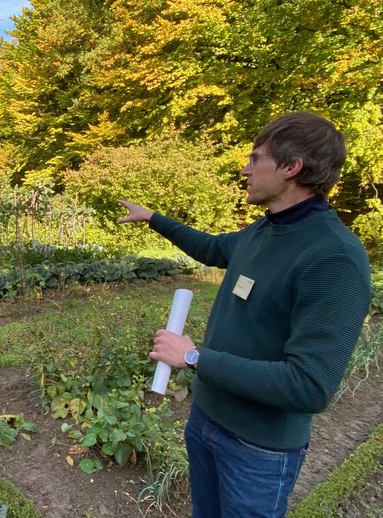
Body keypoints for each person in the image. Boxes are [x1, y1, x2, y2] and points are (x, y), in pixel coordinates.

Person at [116, 111, 371, 518]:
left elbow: (310, 386)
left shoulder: (333, 257)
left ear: (291, 167)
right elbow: (213, 249)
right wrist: (153, 219)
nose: (244, 168)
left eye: (255, 159)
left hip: (259, 449)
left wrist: (194, 357)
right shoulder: (264, 229)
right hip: (206, 421)